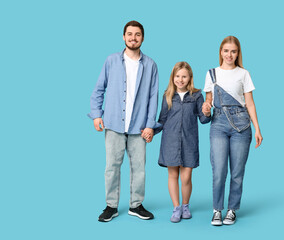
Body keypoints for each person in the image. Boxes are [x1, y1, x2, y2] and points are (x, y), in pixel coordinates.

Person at [88, 20, 159, 222]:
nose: (133, 38)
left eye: (137, 34)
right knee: (112, 166)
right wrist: (96, 114)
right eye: (129, 34)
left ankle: (136, 205)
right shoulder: (111, 61)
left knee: (139, 167)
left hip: (139, 127)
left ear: (142, 38)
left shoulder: (151, 65)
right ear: (123, 36)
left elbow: (153, 97)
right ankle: (111, 206)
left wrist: (150, 125)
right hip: (113, 123)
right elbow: (98, 89)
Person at [202, 36, 263, 226]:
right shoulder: (212, 74)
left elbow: (250, 103)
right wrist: (205, 106)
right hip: (218, 123)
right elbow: (208, 101)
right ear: (221, 51)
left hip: (242, 125)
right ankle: (217, 210)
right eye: (226, 50)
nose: (229, 54)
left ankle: (231, 210)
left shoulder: (244, 74)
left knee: (237, 171)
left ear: (238, 53)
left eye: (233, 51)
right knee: (219, 169)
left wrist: (258, 129)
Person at [154, 62, 211, 223]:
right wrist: (151, 131)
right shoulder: (167, 95)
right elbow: (162, 120)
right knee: (172, 175)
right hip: (170, 142)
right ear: (173, 77)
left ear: (190, 78)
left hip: (189, 141)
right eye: (177, 76)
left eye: (184, 76)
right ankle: (176, 207)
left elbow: (204, 120)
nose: (180, 79)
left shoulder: (196, 96)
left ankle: (186, 206)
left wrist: (207, 112)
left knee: (186, 177)